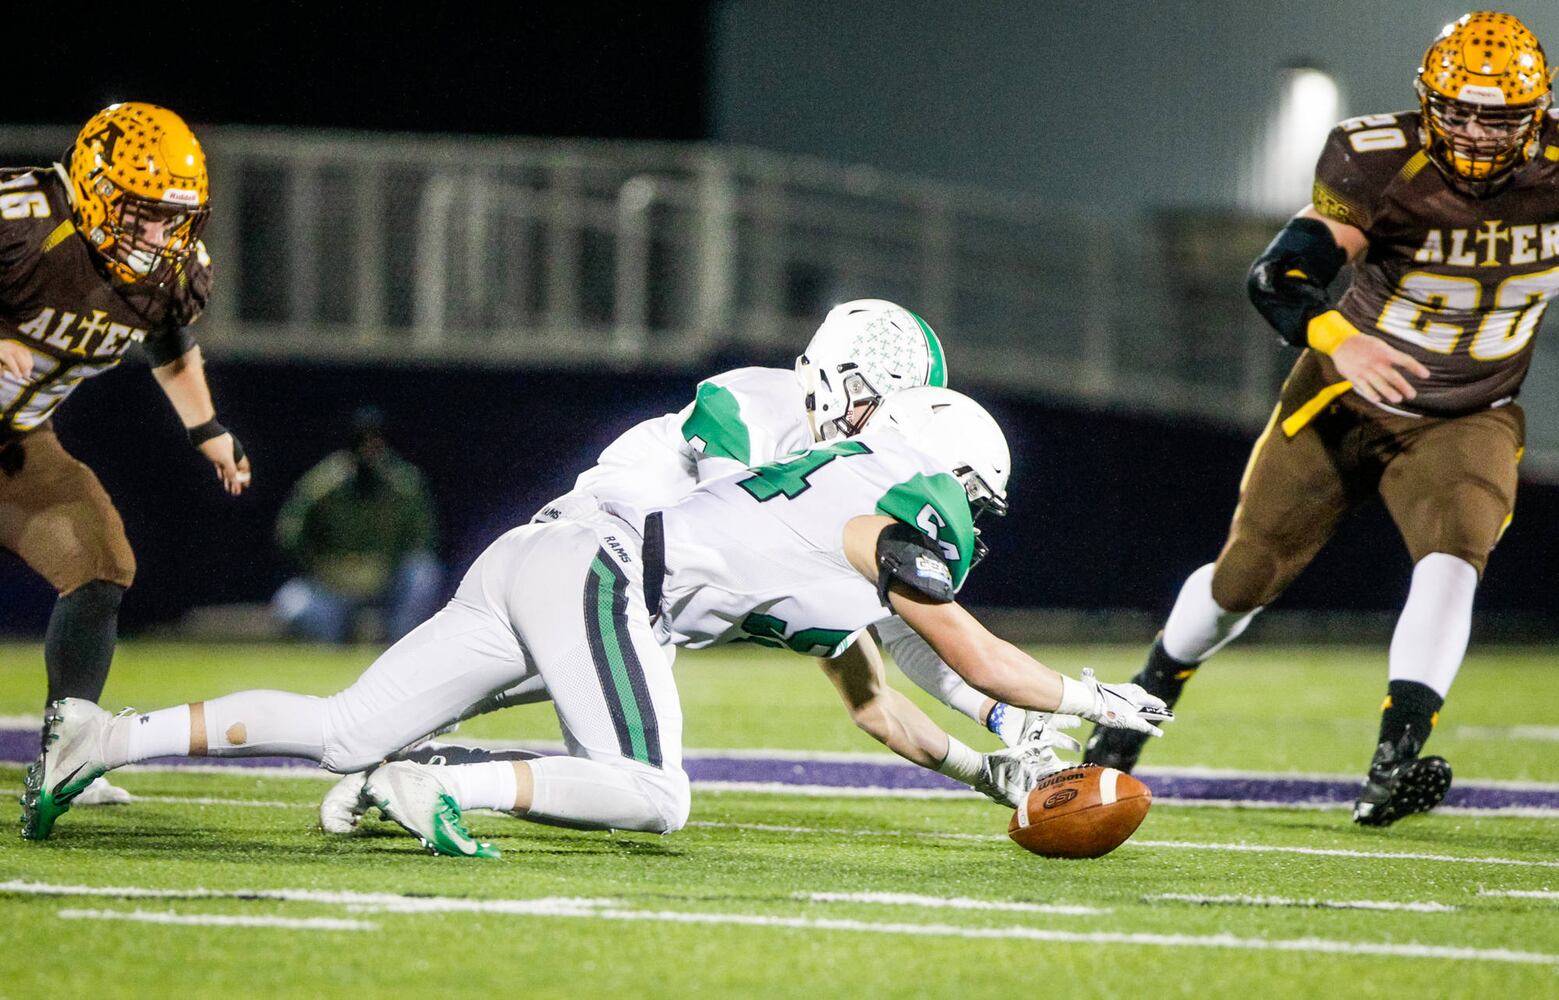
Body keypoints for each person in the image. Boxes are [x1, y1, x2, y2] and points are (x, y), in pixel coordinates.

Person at [23, 387, 1170, 852]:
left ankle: (104, 737)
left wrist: (988, 774)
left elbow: (878, 701)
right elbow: (957, 641)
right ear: (952, 470)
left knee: (342, 729)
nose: (969, 523)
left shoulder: (826, 512)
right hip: (600, 577)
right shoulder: (902, 498)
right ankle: (433, 788)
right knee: (651, 790)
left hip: (542, 561)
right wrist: (1093, 697)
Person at [312, 299, 1033, 833]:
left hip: (615, 602)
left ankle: (417, 775)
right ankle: (421, 774)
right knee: (643, 791)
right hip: (586, 575)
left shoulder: (826, 486)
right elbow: (887, 643)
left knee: (462, 731)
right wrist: (996, 709)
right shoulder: (762, 423)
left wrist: (986, 743)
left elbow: (881, 673)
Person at [1084, 11, 1549, 827]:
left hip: (1465, 410)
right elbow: (1279, 274)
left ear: (1536, 114)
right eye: (1460, 111)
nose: (1476, 133)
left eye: (1499, 116)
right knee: (1241, 580)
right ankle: (1133, 713)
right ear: (1425, 101)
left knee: (1454, 557)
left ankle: (1392, 761)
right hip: (1341, 395)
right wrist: (1343, 339)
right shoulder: (1374, 159)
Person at [1, 102, 249, 808]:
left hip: (16, 442)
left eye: (171, 217)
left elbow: (168, 337)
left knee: (98, 562)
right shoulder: (20, 219)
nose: (155, 235)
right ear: (93, 186)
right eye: (140, 213)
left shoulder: (172, 273)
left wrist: (207, 430)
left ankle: (66, 759)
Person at [270, 405, 442, 644]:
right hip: (334, 587)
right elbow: (290, 536)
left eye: (376, 441)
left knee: (423, 574)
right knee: (293, 607)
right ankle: (331, 652)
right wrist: (326, 567)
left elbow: (423, 541)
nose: (369, 449)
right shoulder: (323, 485)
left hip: (385, 584)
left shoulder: (404, 486)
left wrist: (383, 564)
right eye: (362, 441)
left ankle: (398, 646)